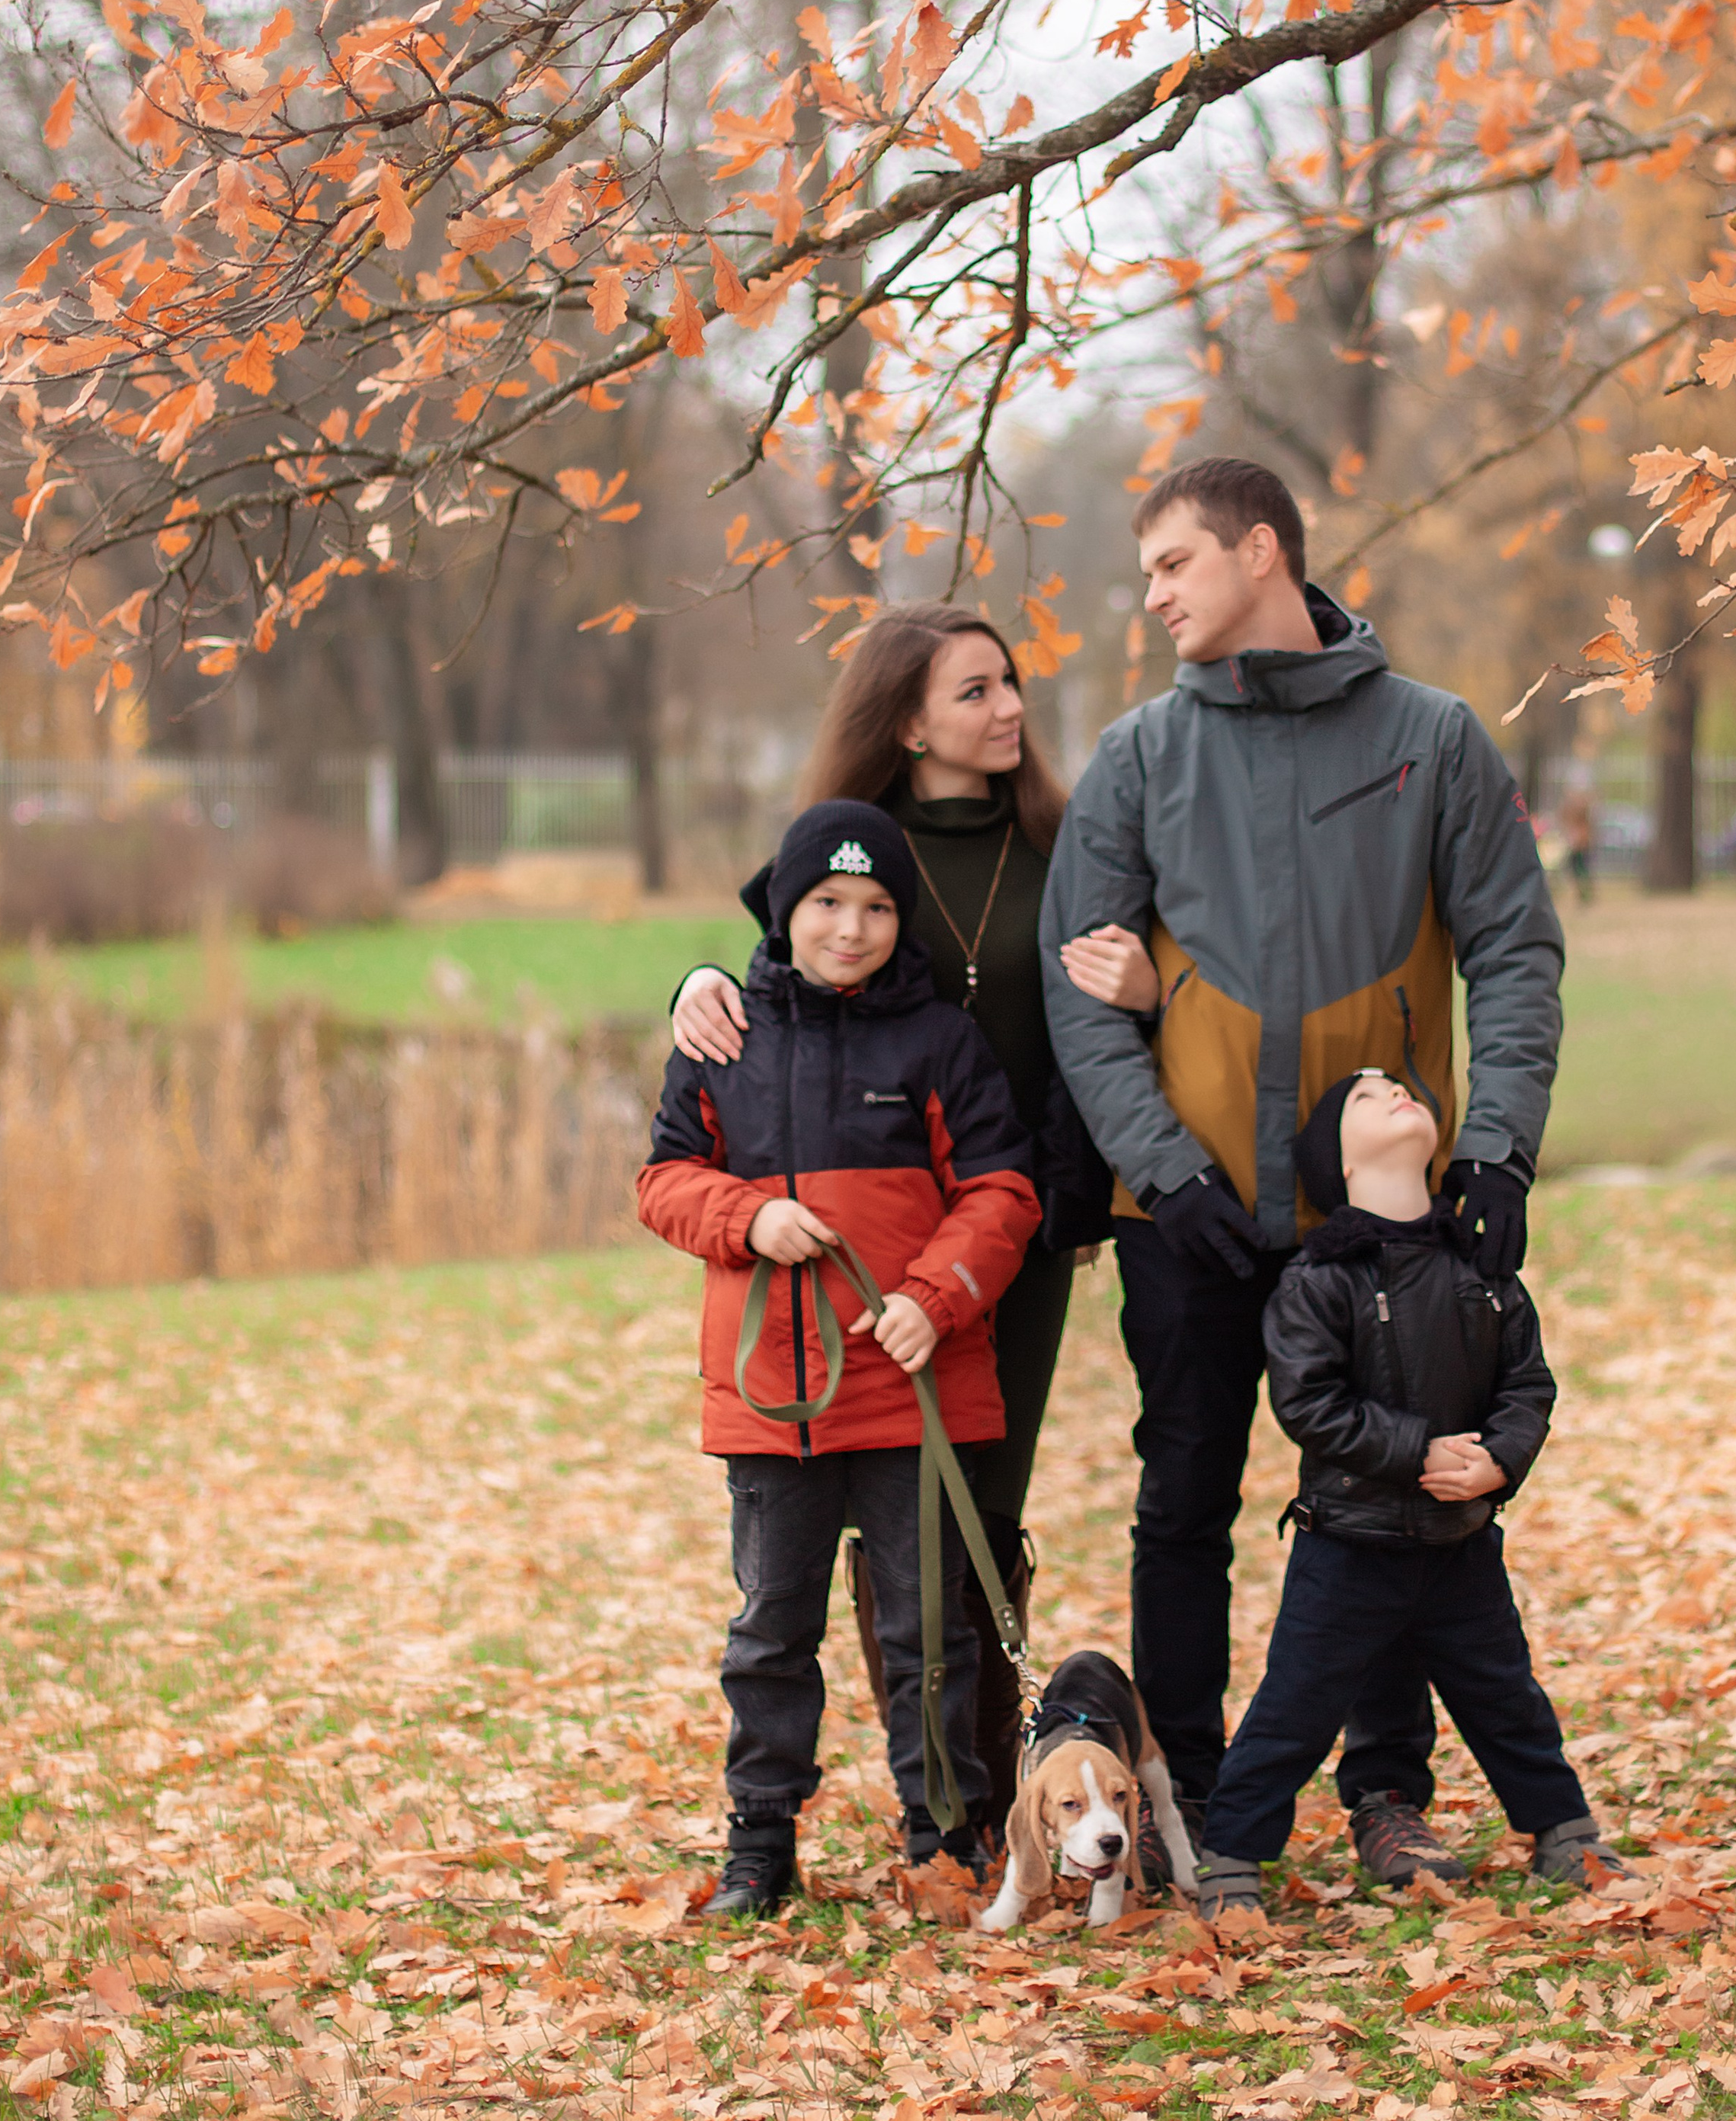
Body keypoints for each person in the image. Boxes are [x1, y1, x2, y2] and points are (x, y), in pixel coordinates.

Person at [1039, 456, 1565, 1886]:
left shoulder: (1434, 739)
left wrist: (1498, 1147)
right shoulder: (1140, 757)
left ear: (1260, 549)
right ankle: (1191, 1803)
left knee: (1391, 1509)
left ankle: (1388, 1795)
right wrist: (1166, 1172)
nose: (1153, 596)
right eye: (1147, 573)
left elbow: (1516, 950)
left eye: (1173, 564)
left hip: (1381, 1217)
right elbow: (1081, 997)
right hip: (1189, 1216)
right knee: (1183, 1504)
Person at [672, 607, 1158, 1826]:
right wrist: (697, 983)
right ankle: (939, 1795)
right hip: (870, 1244)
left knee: (976, 1507)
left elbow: (1138, 984)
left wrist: (1150, 993)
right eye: (974, 691)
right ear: (905, 720)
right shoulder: (860, 854)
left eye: (1011, 683)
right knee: (884, 1519)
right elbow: (779, 989)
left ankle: (973, 1802)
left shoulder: (1065, 845)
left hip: (1016, 1221)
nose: (1010, 709)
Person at [639, 798, 1043, 1918]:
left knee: (928, 1633)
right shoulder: (724, 1040)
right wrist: (746, 1216)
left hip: (911, 1390)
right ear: (785, 908)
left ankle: (943, 1834)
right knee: (771, 1633)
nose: (850, 928)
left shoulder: (939, 1044)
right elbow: (663, 1181)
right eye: (827, 902)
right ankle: (761, 1842)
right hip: (775, 1399)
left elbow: (1002, 1192)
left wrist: (932, 1297)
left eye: (875, 907)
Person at [1192, 1069, 1628, 1915]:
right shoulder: (1320, 1278)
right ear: (1338, 1163)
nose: (1394, 1091)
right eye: (1365, 1097)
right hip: (1347, 1544)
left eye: (1399, 1085)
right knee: (1295, 1708)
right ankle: (1231, 1859)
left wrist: (1499, 1460)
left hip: (1461, 1542)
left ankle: (1565, 1833)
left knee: (1505, 1695)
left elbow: (1526, 1384)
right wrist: (1416, 1449)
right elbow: (1308, 1404)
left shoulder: (1482, 1266)